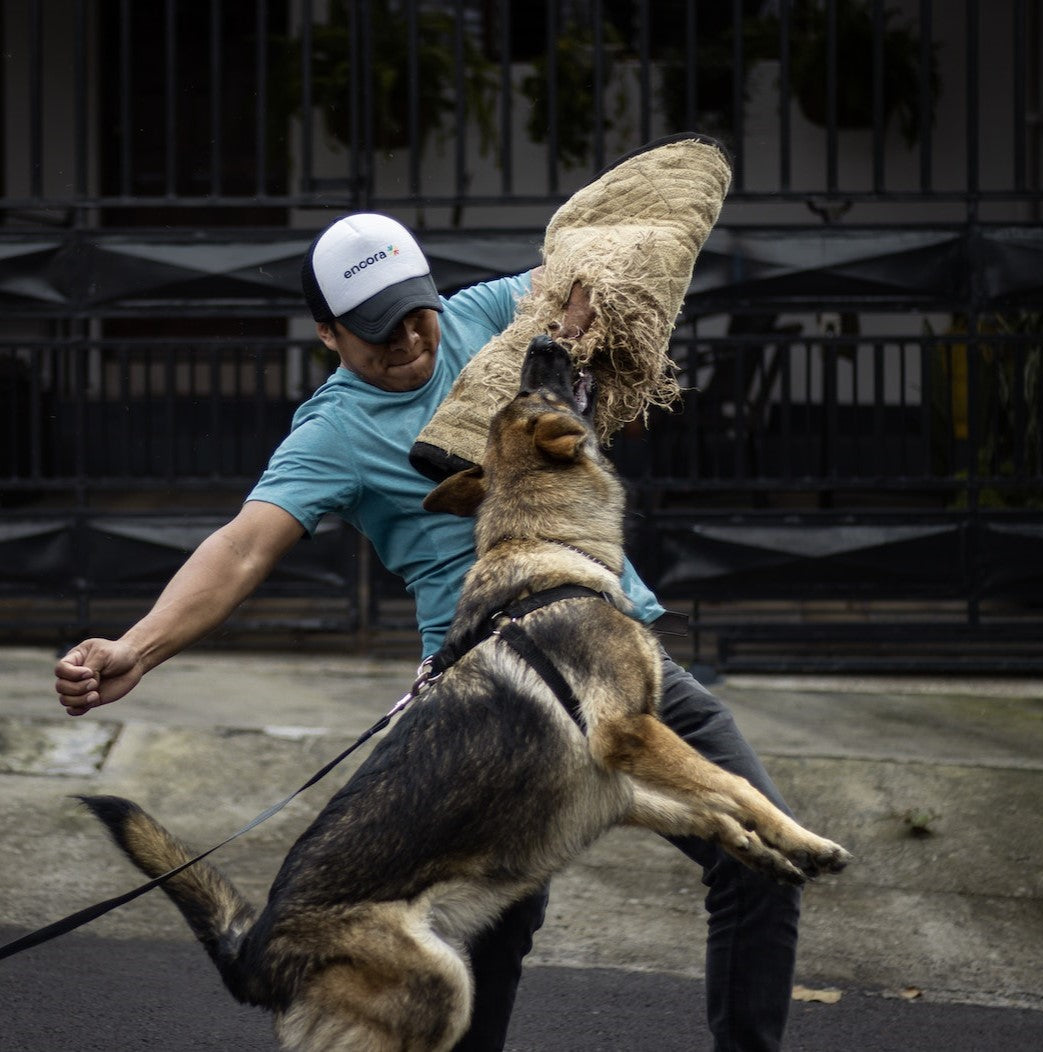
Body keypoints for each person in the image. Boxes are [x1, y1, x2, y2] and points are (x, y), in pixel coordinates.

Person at [54, 210, 802, 1052]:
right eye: (378, 329)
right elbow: (240, 549)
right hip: (488, 695)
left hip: (610, 650)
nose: (410, 337)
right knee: (494, 924)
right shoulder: (334, 430)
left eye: (417, 311)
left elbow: (587, 274)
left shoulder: (484, 314)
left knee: (762, 852)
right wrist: (136, 647)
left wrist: (612, 297)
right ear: (328, 334)